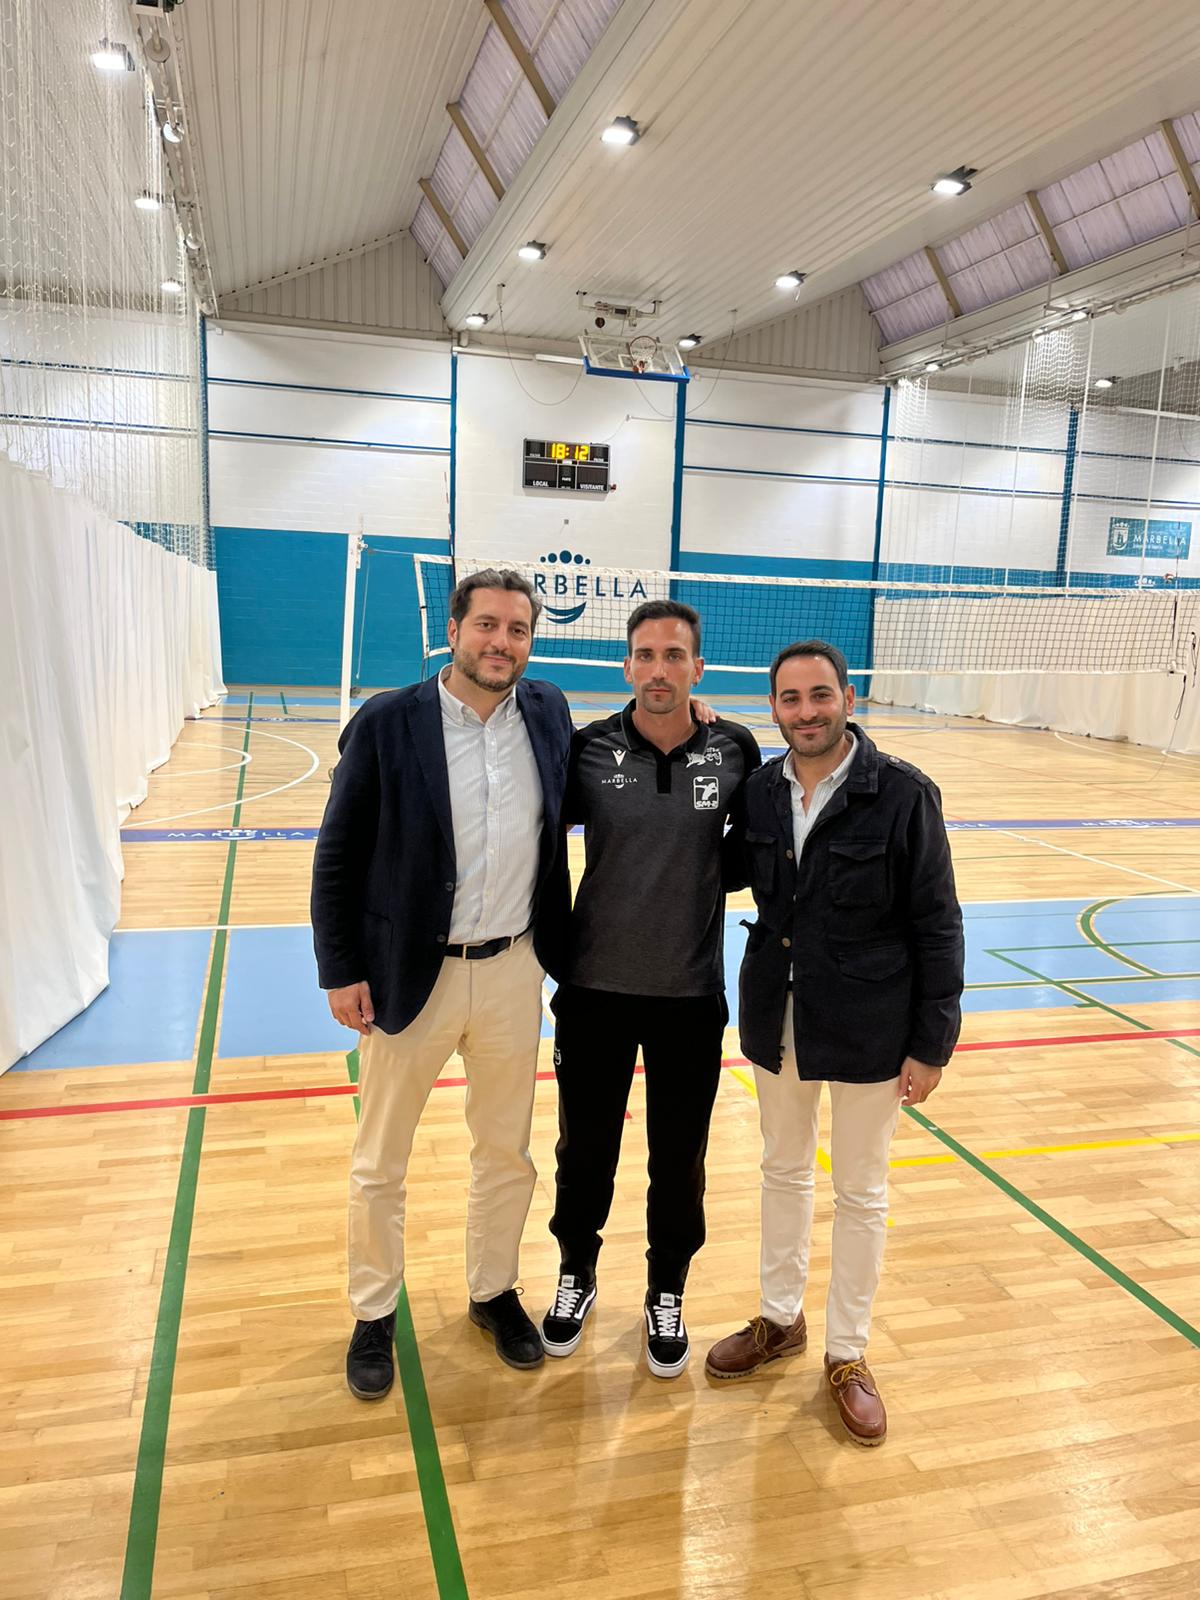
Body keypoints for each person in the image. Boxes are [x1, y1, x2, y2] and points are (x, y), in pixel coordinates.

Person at [311, 568, 572, 1396]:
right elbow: (338, 853)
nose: (502, 642)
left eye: (518, 630)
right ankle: (373, 1312)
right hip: (407, 974)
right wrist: (340, 969)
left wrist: (694, 717)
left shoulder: (548, 711)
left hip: (514, 970)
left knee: (505, 1152)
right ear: (453, 631)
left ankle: (493, 1292)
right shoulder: (388, 722)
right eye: (487, 625)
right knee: (380, 1160)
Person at [705, 639, 963, 1445]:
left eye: (821, 695)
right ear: (773, 708)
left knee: (861, 1191)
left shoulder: (904, 794)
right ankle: (779, 1319)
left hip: (870, 1023)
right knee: (782, 1170)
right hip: (776, 1014)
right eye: (791, 699)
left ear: (849, 698)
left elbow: (938, 922)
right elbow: (718, 870)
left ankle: (848, 1353)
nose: (807, 712)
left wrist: (932, 1042)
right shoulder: (758, 792)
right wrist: (705, 736)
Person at [540, 600, 761, 1378]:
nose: (658, 670)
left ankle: (667, 1288)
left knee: (679, 1159)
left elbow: (750, 853)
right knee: (584, 1151)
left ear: (698, 668)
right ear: (627, 665)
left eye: (674, 656)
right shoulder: (588, 749)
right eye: (645, 655)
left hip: (690, 998)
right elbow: (534, 834)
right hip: (594, 992)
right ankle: (576, 1272)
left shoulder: (735, 748)